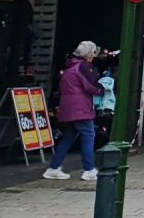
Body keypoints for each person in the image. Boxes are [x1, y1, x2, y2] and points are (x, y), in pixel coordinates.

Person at [43, 41, 103, 180]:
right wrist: (101, 88)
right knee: (88, 135)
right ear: (88, 54)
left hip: (67, 108)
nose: (94, 56)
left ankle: (54, 167)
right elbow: (91, 86)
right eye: (93, 53)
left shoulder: (69, 67)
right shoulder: (83, 67)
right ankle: (89, 169)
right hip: (80, 108)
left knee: (69, 136)